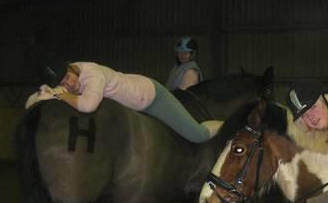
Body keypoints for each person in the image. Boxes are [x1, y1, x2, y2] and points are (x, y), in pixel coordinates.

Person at [35, 61, 213, 143]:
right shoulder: (75, 73)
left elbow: (88, 106)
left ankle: (222, 125)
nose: (68, 84)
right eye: (63, 84)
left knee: (198, 136)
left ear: (70, 68)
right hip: (135, 102)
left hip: (154, 97)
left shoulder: (92, 74)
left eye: (67, 77)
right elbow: (34, 100)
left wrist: (60, 95)